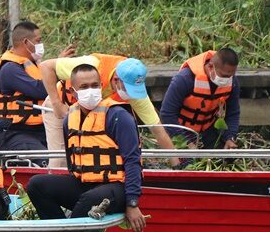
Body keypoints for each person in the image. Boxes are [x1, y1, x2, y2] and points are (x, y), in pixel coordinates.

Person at [26, 64, 146, 232]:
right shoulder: (70, 119)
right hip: (85, 185)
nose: (90, 90)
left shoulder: (118, 116)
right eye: (84, 87)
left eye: (94, 85)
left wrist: (132, 203)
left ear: (101, 86)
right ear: (74, 92)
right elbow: (72, 163)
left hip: (117, 189)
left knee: (91, 198)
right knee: (37, 184)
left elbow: (133, 161)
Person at [41, 54, 178, 168]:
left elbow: (157, 130)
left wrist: (177, 164)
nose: (131, 94)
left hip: (92, 116)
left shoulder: (134, 92)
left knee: (99, 158)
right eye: (128, 89)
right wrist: (56, 104)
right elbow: (46, 66)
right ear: (116, 80)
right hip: (61, 106)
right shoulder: (92, 65)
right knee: (60, 160)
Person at [0, 21, 62, 157]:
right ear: (26, 42)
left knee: (64, 157)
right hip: (15, 132)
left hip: (40, 130)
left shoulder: (35, 65)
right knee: (46, 159)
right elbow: (41, 90)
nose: (41, 45)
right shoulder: (10, 69)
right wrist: (59, 68)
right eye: (38, 41)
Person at [160, 48, 241, 150]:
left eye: (231, 76)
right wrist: (186, 143)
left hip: (208, 130)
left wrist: (230, 137)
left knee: (225, 157)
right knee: (187, 160)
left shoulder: (232, 81)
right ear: (211, 66)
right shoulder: (184, 79)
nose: (228, 80)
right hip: (181, 131)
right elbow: (167, 113)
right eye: (224, 76)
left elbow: (233, 112)